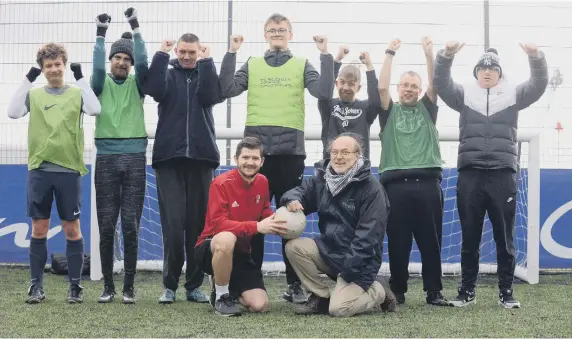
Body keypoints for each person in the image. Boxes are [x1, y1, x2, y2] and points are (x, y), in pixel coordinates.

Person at [219, 13, 335, 303]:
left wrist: (325, 55)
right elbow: (225, 89)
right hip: (257, 159)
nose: (277, 33)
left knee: (289, 223)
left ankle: (295, 285)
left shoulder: (301, 64)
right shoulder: (253, 63)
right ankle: (251, 282)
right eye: (272, 30)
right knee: (252, 223)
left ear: (290, 34)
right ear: (265, 34)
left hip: (290, 156)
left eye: (282, 30)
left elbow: (323, 91)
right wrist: (232, 52)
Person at [434, 41, 548, 308]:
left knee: (504, 237)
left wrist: (535, 57)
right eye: (482, 68)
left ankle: (506, 292)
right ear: (476, 73)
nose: (487, 72)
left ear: (500, 73)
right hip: (470, 173)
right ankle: (467, 291)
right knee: (469, 236)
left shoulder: (513, 95)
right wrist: (446, 56)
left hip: (502, 174)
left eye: (492, 69)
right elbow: (441, 83)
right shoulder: (464, 95)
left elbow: (539, 85)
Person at [7, 43, 101, 303]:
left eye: (58, 64)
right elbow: (12, 112)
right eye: (48, 66)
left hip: (69, 170)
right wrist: (28, 78)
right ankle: (36, 286)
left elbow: (95, 109)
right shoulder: (35, 95)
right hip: (40, 170)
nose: (54, 69)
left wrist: (81, 77)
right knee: (39, 228)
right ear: (43, 69)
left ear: (64, 65)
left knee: (72, 229)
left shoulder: (76, 93)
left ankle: (75, 287)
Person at [141, 33, 225, 304]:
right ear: (177, 51)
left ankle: (194, 286)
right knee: (174, 227)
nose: (187, 56)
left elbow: (213, 95)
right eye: (183, 52)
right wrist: (161, 54)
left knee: (199, 227)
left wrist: (209, 61)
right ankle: (169, 285)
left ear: (199, 52)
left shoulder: (205, 73)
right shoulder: (167, 74)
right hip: (169, 160)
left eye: (193, 52)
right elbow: (153, 88)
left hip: (202, 160)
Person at [281, 133, 397, 317]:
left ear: (358, 156)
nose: (338, 157)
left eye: (345, 152)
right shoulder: (322, 179)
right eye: (335, 152)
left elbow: (369, 237)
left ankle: (379, 290)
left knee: (339, 309)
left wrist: (348, 273)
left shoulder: (372, 189)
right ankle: (320, 297)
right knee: (295, 247)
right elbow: (300, 191)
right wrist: (293, 199)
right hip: (329, 251)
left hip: (359, 262)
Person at [377, 37, 449, 306]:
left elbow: (436, 85)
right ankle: (399, 290)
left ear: (419, 91)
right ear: (399, 88)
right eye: (405, 85)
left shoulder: (427, 110)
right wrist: (390, 52)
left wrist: (430, 55)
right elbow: (381, 86)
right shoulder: (388, 112)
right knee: (398, 243)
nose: (409, 89)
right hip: (395, 188)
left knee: (431, 242)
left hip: (428, 185)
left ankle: (434, 291)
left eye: (414, 86)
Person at [90, 8, 149, 304]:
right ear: (111, 60)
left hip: (136, 157)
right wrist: (101, 35)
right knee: (106, 223)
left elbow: (145, 62)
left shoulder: (139, 85)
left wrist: (135, 27)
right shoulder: (99, 85)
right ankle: (108, 287)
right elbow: (97, 69)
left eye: (127, 59)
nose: (123, 62)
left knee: (130, 224)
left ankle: (128, 287)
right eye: (118, 58)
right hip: (107, 159)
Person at [195, 137, 289, 317]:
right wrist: (257, 226)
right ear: (236, 158)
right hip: (212, 247)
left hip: (242, 253)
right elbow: (218, 224)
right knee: (226, 238)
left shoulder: (262, 181)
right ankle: (221, 296)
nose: (250, 162)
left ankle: (224, 285)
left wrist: (278, 220)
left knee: (259, 305)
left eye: (255, 158)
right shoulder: (220, 183)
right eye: (245, 157)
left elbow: (264, 211)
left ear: (262, 162)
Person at [319, 46, 381, 159]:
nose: (346, 87)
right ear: (336, 83)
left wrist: (369, 66)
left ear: (358, 88)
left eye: (351, 84)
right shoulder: (329, 106)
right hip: (332, 166)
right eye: (342, 82)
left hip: (358, 169)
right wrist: (337, 59)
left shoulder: (365, 108)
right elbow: (325, 88)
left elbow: (376, 102)